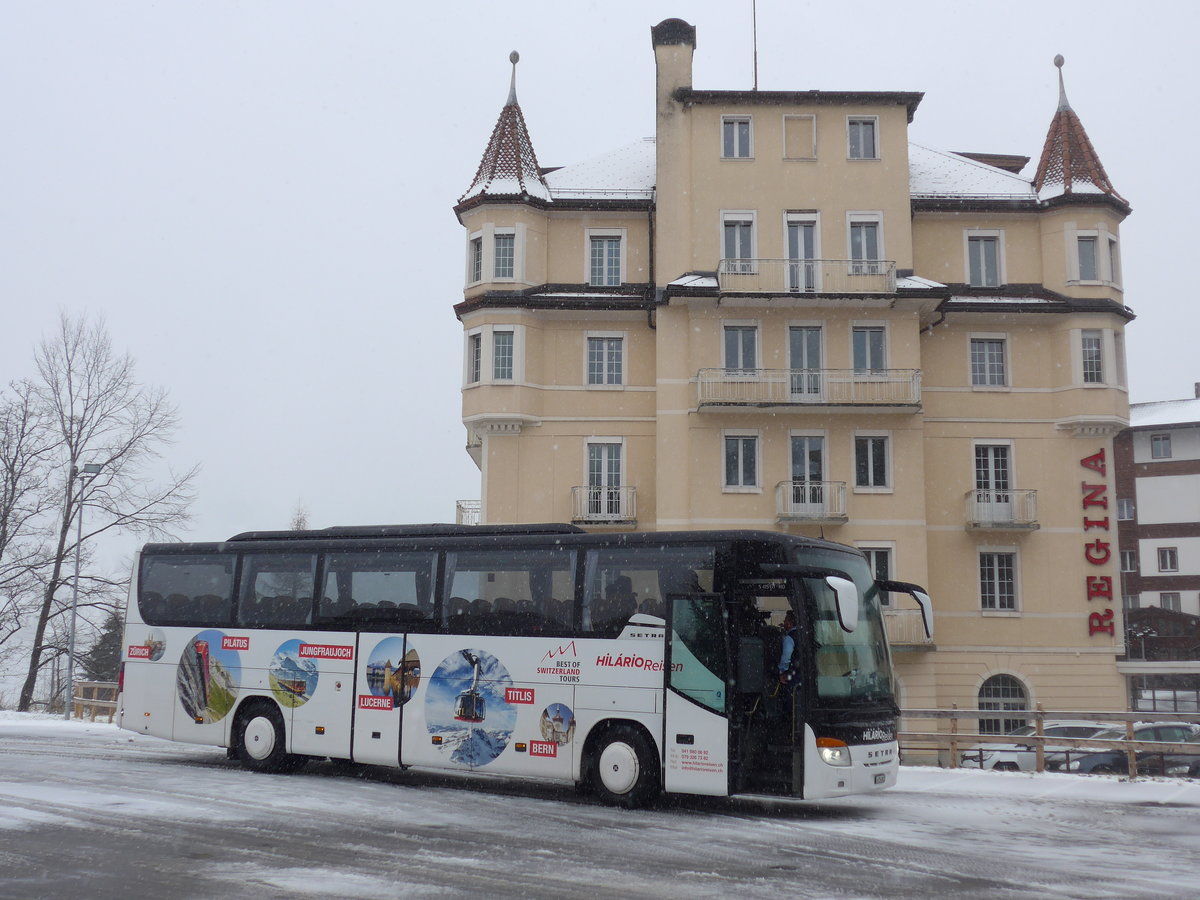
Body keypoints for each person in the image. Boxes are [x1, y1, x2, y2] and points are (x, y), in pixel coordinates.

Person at [777, 610, 799, 688]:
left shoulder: (789, 638)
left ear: (790, 623)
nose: (784, 622)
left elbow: (786, 657)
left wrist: (782, 672)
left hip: (792, 676)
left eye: (785, 620)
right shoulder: (801, 635)